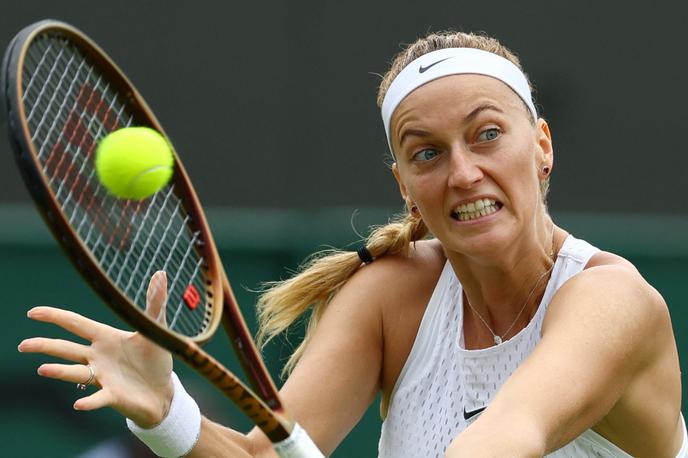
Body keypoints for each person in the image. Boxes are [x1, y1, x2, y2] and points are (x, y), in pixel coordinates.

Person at [18, 30, 686, 457]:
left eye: (487, 135)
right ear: (404, 184)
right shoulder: (389, 297)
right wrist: (167, 415)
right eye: (427, 153)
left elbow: (509, 435)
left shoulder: (612, 301)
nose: (462, 172)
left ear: (541, 146)